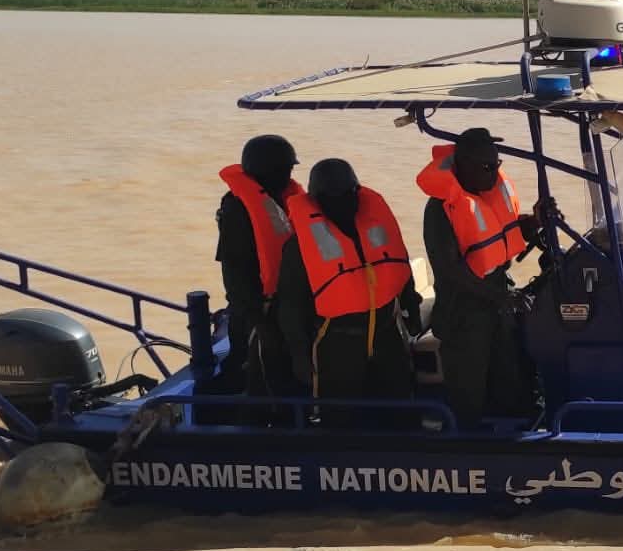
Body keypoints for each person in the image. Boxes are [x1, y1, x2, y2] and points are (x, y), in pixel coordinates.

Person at [417, 127, 550, 430]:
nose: (494, 173)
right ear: (464, 167)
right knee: (469, 390)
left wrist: (536, 220)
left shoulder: (487, 193)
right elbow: (449, 269)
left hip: (496, 300)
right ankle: (467, 444)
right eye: (487, 167)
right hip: (463, 309)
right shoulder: (441, 209)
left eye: (497, 164)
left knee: (510, 377)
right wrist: (500, 297)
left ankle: (517, 430)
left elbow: (505, 238)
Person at [275, 158, 422, 426]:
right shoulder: (300, 247)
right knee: (339, 417)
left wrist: (411, 306)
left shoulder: (377, 227)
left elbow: (400, 268)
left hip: (387, 333)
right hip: (337, 342)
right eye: (332, 197)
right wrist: (298, 353)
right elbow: (291, 305)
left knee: (400, 409)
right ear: (317, 201)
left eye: (348, 194)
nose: (342, 202)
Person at [215, 134, 304, 404]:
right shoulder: (237, 210)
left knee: (288, 376)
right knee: (259, 379)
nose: (289, 176)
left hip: (286, 306)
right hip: (256, 311)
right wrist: (259, 320)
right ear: (266, 172)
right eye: (284, 170)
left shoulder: (284, 200)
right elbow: (234, 272)